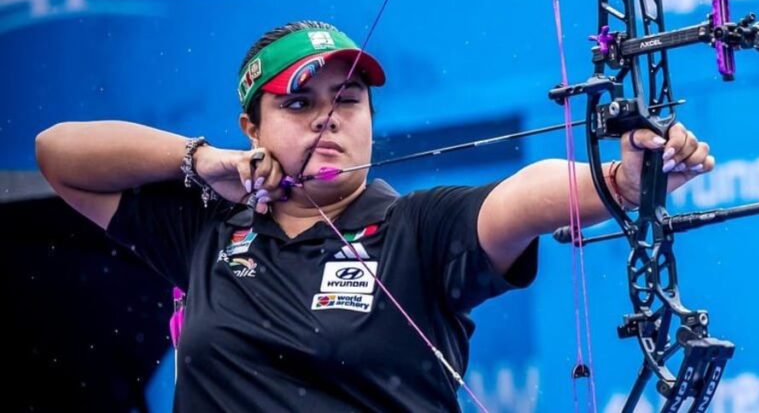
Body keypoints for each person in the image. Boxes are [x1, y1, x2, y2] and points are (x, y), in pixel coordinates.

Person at [35, 20, 715, 411]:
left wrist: (622, 180)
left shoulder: (416, 229)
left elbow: (521, 197)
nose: (328, 117)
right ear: (252, 126)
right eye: (299, 103)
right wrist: (200, 159)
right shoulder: (208, 229)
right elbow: (58, 154)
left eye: (349, 99)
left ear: (371, 118)